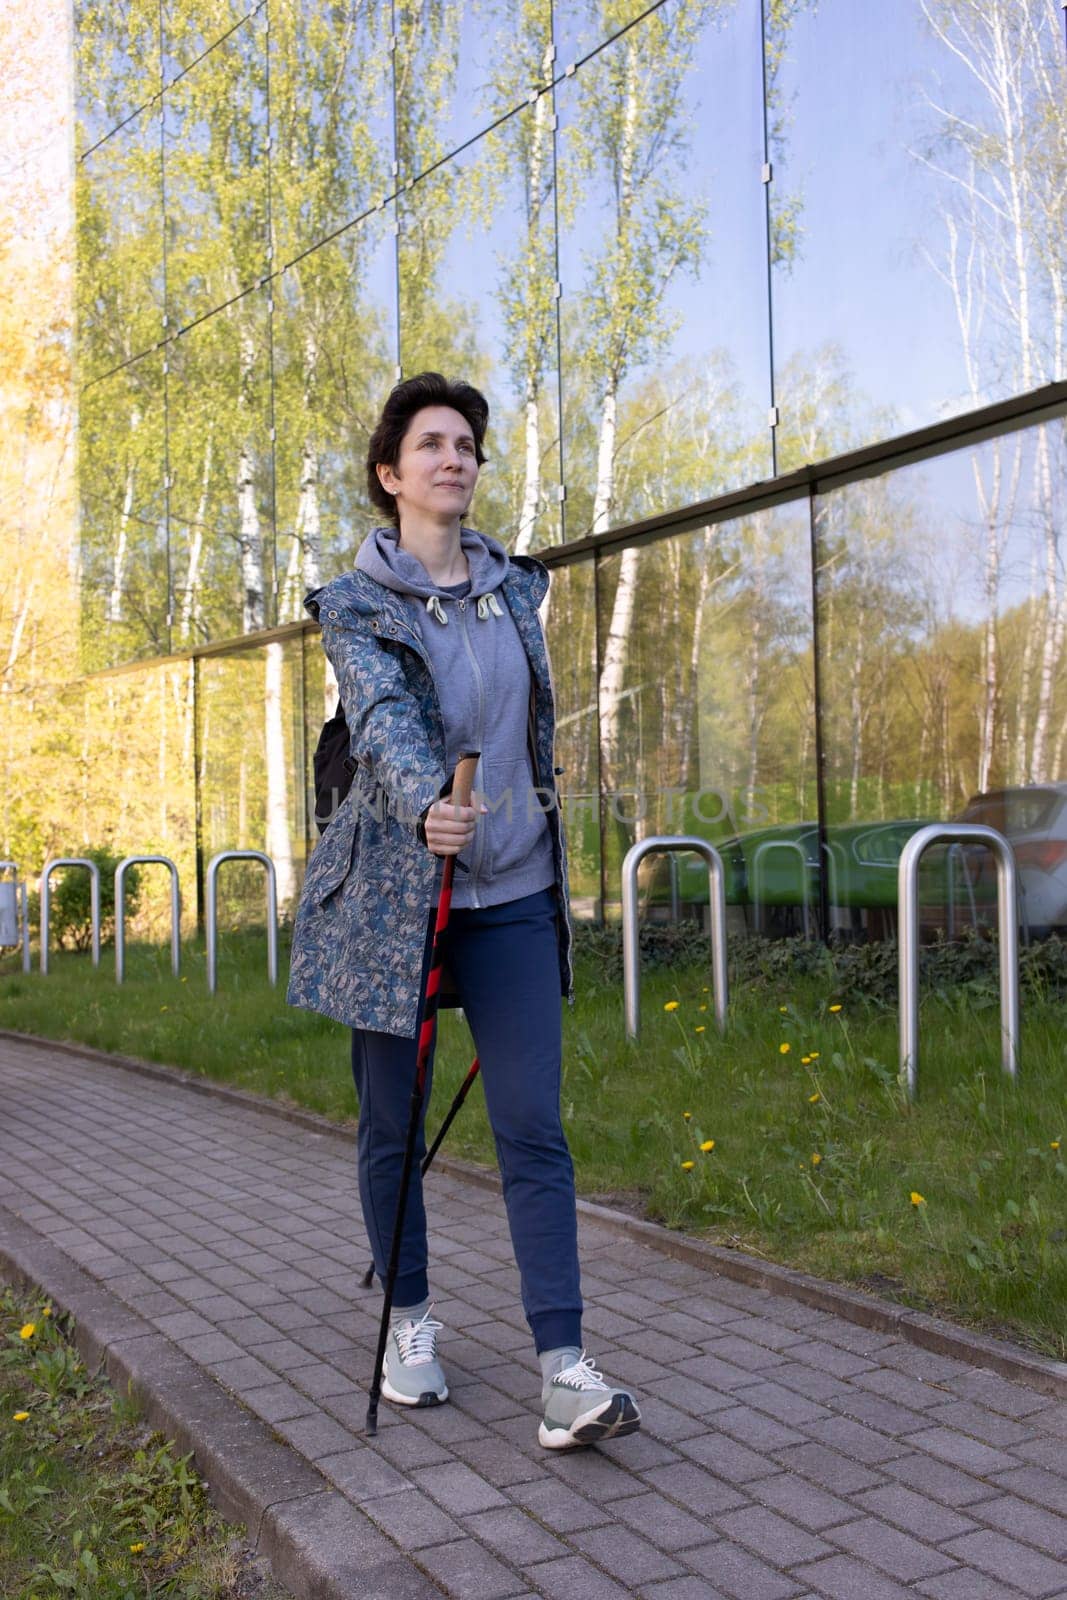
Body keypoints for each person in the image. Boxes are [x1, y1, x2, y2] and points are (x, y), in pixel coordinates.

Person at [287, 371, 640, 1450]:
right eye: (432, 444)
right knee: (390, 1119)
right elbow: (387, 718)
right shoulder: (356, 604)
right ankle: (406, 1319)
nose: (456, 458)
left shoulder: (511, 592)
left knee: (532, 1123)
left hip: (515, 891)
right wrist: (425, 799)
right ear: (391, 476)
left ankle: (564, 1368)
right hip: (397, 899)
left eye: (468, 445)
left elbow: (524, 725)